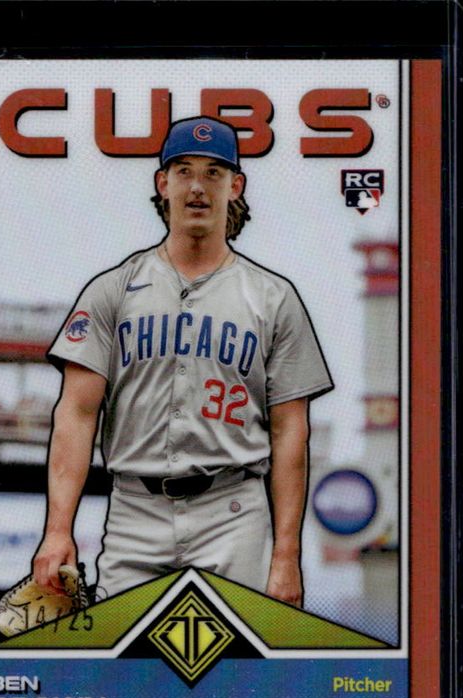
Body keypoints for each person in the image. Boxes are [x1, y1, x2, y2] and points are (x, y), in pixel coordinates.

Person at [32, 116, 333, 606]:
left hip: (233, 512)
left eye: (214, 172)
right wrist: (57, 530)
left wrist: (286, 555)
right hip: (135, 511)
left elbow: (290, 432)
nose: (198, 186)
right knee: (127, 652)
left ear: (235, 186)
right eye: (184, 170)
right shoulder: (112, 290)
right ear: (163, 183)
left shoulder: (274, 298)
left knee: (237, 653)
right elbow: (76, 414)